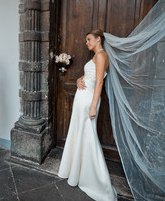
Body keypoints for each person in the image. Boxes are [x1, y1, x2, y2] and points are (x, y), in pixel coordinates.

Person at [58, 29, 117, 201]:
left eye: (89, 39)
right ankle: (75, 170)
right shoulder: (96, 57)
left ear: (99, 39)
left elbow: (99, 82)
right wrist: (78, 79)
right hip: (82, 99)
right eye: (86, 40)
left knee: (88, 136)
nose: (86, 43)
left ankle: (98, 180)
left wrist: (93, 106)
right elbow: (89, 76)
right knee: (80, 134)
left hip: (88, 101)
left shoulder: (101, 56)